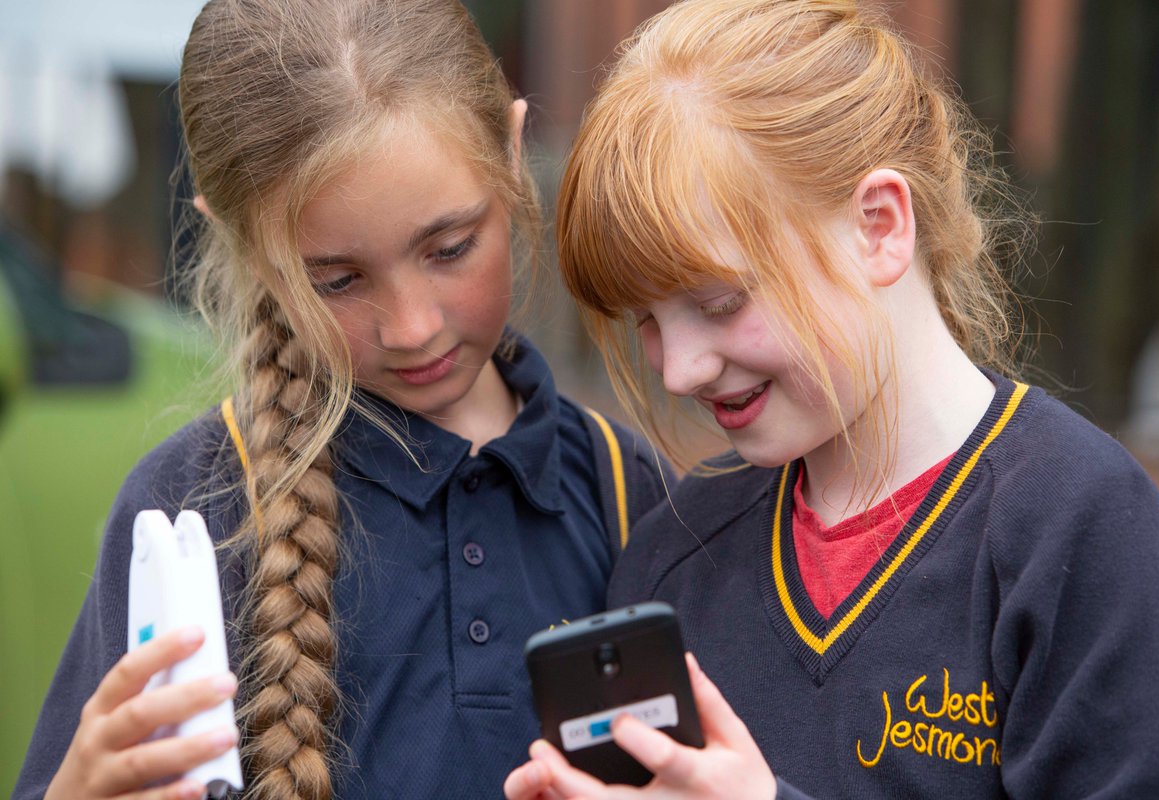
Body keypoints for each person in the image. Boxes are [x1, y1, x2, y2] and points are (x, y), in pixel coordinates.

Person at [505, 0, 1159, 798]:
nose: (679, 371)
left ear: (878, 226)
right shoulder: (673, 558)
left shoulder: (1086, 530)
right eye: (646, 324)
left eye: (721, 302)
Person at [13, 1, 670, 798]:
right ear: (245, 246)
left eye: (450, 248)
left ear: (509, 145)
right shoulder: (189, 513)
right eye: (338, 280)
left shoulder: (628, 491)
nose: (413, 326)